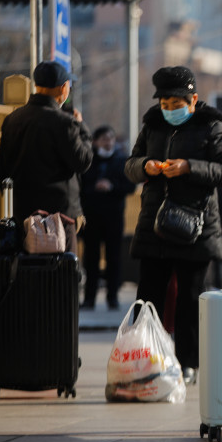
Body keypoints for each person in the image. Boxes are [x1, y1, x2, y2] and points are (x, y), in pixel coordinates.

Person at [124, 66, 222, 386]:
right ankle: (148, 358)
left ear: (193, 99)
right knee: (148, 297)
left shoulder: (211, 126)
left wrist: (189, 167)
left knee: (190, 298)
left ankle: (189, 363)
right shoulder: (152, 125)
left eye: (177, 104)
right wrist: (145, 166)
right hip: (154, 224)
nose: (170, 110)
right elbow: (130, 165)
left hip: (195, 226)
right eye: (165, 104)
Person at [0, 61, 93, 239]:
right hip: (60, 218)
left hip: (23, 215)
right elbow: (82, 161)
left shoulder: (12, 119)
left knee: (25, 265)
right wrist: (82, 128)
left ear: (36, 85)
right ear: (63, 88)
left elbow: (3, 169)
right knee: (62, 266)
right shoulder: (65, 122)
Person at [79, 126, 136, 311]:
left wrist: (111, 187)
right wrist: (95, 187)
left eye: (110, 138)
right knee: (91, 258)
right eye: (104, 138)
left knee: (114, 258)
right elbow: (81, 188)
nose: (108, 142)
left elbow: (130, 187)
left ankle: (113, 297)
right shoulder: (88, 161)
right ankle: (89, 298)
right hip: (92, 216)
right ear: (95, 141)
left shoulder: (121, 161)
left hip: (114, 216)